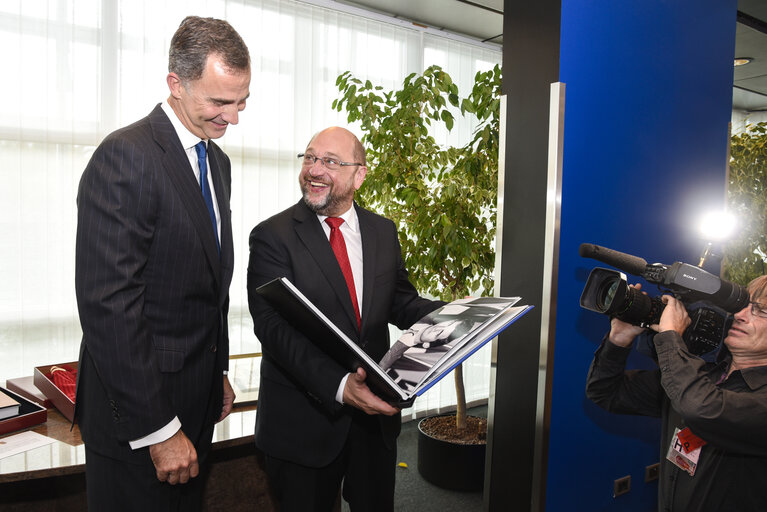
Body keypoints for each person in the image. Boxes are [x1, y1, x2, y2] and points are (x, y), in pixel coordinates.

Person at [74, 16, 250, 510]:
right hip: (140, 419)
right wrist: (159, 430)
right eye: (219, 102)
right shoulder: (125, 156)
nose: (232, 118)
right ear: (176, 84)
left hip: (195, 401)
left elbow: (206, 285)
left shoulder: (216, 161)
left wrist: (217, 370)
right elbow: (108, 306)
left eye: (242, 103)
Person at [246, 126, 444, 511]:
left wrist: (456, 313)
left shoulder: (382, 231)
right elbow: (273, 329)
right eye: (309, 157)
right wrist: (339, 386)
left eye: (331, 162)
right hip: (303, 423)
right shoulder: (272, 236)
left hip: (374, 425)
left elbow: (401, 303)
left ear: (360, 174)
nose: (315, 169)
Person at [586, 277, 767, 511]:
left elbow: (702, 409)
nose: (740, 315)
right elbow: (604, 391)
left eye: (760, 311)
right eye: (742, 305)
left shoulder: (753, 397)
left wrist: (671, 336)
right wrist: (619, 339)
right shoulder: (701, 376)